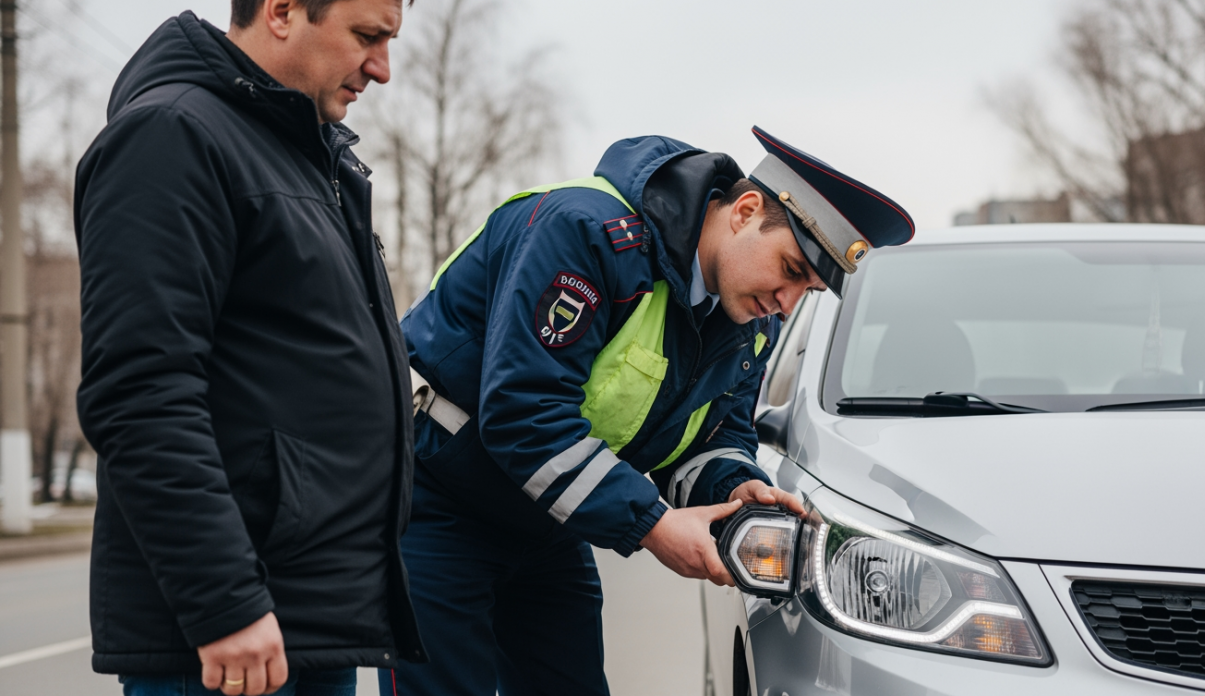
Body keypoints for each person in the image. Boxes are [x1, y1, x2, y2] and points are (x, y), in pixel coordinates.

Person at [392, 126, 914, 695]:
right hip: (440, 500)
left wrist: (734, 488)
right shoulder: (586, 234)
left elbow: (709, 438)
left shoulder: (750, 320)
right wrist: (653, 525)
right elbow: (524, 411)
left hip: (546, 521)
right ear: (744, 211)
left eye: (807, 289)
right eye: (791, 269)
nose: (787, 303)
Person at [75, 2, 423, 695]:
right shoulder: (174, 136)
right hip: (234, 636)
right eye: (366, 37)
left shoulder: (304, 155)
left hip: (308, 619)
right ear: (283, 11)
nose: (382, 69)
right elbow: (140, 391)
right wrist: (224, 602)